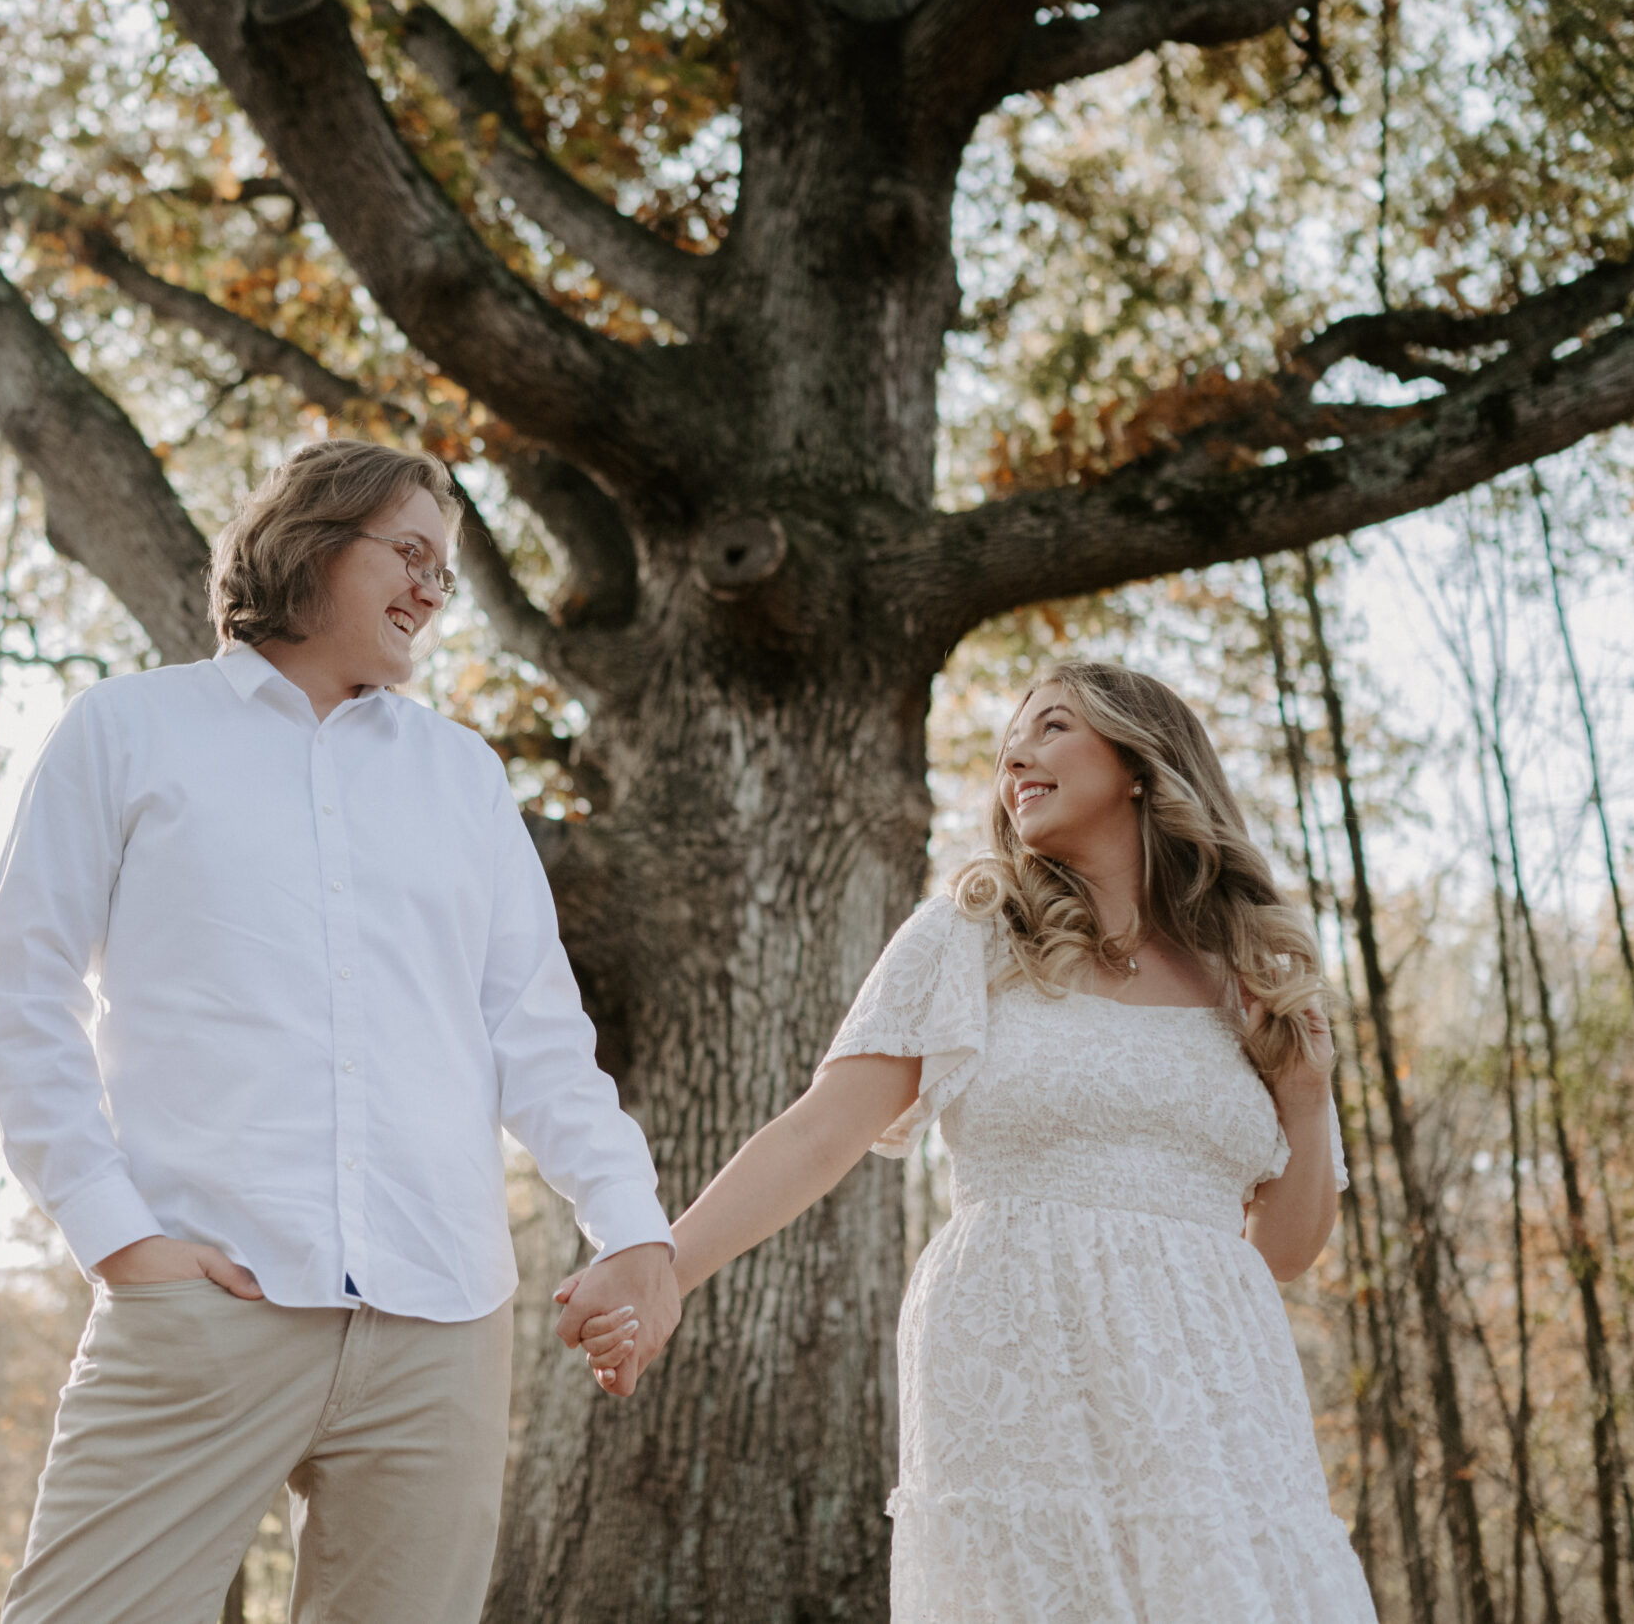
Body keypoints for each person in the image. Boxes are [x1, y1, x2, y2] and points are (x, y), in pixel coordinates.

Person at [0, 439, 677, 1624]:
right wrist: (113, 1233)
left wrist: (633, 1224)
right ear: (309, 539)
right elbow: (22, 987)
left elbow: (539, 1035)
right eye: (408, 554)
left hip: (440, 1319)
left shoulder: (463, 778)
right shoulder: (127, 729)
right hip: (205, 1298)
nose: (429, 592)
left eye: (443, 576)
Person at [575, 661, 1377, 1622]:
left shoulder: (1257, 972)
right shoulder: (972, 934)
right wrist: (662, 1263)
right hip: (1018, 1347)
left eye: (1051, 727)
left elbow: (1283, 1249)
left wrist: (1305, 1086)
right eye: (1009, 741)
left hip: (1214, 1377)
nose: (1015, 754)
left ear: (1138, 762)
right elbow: (820, 1131)